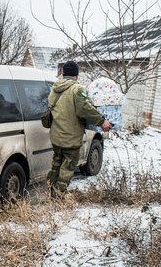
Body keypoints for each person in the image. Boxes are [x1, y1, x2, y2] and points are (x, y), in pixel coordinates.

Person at [46, 60, 112, 195]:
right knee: (68, 166)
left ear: (64, 74)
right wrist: (102, 121)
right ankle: (58, 196)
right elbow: (84, 109)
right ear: (76, 75)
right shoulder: (77, 89)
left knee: (57, 163)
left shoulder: (54, 89)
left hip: (56, 135)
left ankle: (51, 190)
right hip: (70, 137)